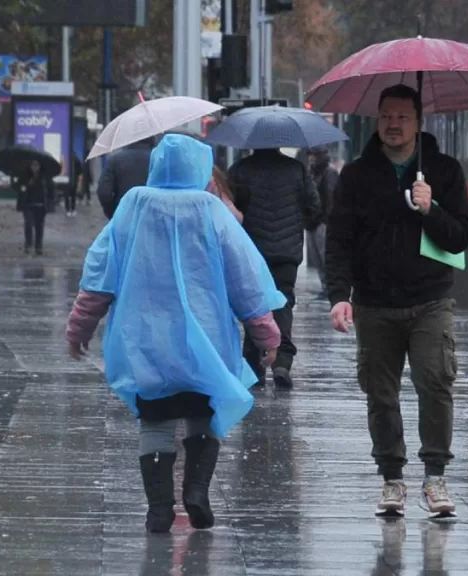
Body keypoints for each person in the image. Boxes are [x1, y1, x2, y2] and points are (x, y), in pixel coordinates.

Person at [64, 134, 285, 534]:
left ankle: (159, 507)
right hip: (205, 340)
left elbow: (99, 275)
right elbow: (245, 280)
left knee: (155, 421)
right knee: (202, 415)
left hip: (146, 341)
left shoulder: (132, 207)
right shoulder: (212, 211)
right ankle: (196, 490)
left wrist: (79, 328)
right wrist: (267, 334)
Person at [325, 84, 468, 519]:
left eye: (403, 117)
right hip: (374, 304)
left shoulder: (444, 171)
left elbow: (462, 236)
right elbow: (339, 241)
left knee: (435, 382)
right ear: (378, 120)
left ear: (418, 123)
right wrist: (340, 296)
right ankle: (392, 477)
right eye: (387, 116)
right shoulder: (355, 176)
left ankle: (435, 475)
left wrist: (432, 210)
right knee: (381, 394)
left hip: (430, 299)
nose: (394, 124)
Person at [229, 148, 323, 388]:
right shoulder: (297, 169)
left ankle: (254, 365)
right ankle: (282, 361)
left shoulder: (241, 169)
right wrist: (297, 223)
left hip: (252, 252)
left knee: (253, 305)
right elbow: (313, 207)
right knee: (283, 303)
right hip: (287, 253)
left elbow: (230, 208)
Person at [306, 146, 340, 294]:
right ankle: (325, 285)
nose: (311, 158)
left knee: (324, 256)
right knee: (317, 258)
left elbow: (331, 199)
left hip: (322, 222)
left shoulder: (329, 172)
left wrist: (325, 220)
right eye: (310, 155)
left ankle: (330, 286)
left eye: (314, 155)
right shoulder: (310, 172)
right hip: (313, 222)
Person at [97, 136, 155, 220]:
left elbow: (104, 192)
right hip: (152, 220)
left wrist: (114, 213)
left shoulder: (115, 160)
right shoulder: (159, 160)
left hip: (123, 218)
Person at [13, 160, 54, 256]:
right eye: (33, 165)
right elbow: (18, 187)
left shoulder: (45, 176)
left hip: (41, 205)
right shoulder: (25, 175)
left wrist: (50, 202)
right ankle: (28, 245)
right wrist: (26, 185)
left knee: (39, 227)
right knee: (28, 224)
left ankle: (38, 247)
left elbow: (51, 189)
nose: (34, 168)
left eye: (36, 165)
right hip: (28, 204)